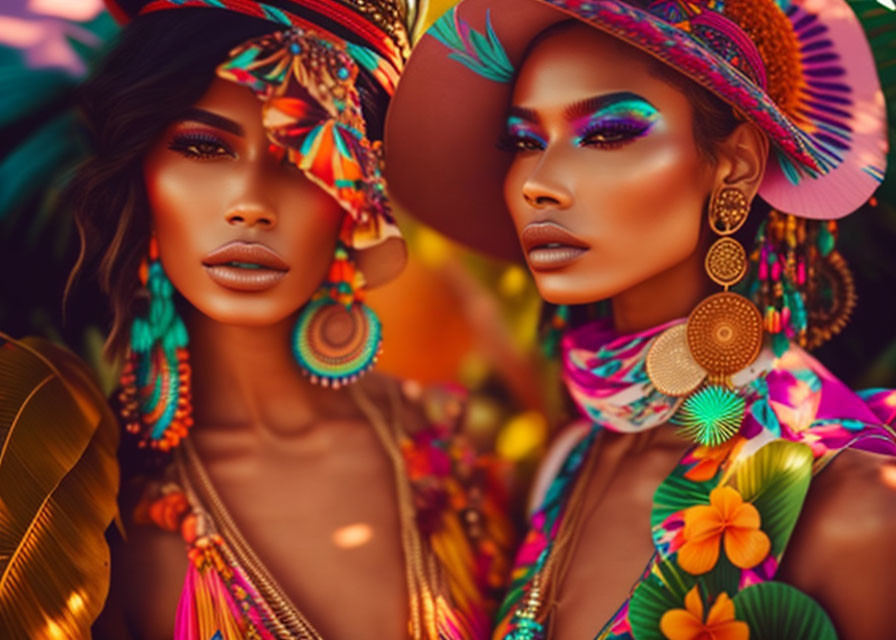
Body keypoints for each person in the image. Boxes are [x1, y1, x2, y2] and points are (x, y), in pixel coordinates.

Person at [385, 1, 896, 638]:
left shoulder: (846, 497)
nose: (538, 183)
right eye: (524, 142)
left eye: (606, 133)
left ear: (734, 164)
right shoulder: (569, 461)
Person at [1, 1, 512, 639]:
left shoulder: (462, 451)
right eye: (203, 147)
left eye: (298, 157)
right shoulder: (81, 501)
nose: (250, 204)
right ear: (142, 173)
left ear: (361, 195)